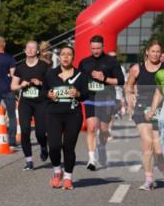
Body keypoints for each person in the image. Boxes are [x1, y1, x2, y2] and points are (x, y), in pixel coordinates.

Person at [43, 46, 89, 190]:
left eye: (69, 54)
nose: (65, 57)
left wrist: (78, 94)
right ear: (59, 57)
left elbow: (87, 94)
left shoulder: (80, 75)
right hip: (53, 114)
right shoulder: (50, 74)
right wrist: (48, 95)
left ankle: (68, 177)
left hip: (73, 115)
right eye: (63, 54)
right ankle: (58, 172)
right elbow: (42, 92)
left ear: (73, 57)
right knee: (54, 146)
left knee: (69, 147)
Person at [79, 35, 124, 170]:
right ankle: (92, 159)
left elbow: (120, 81)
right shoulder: (84, 62)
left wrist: (104, 78)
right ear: (90, 47)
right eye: (93, 48)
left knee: (104, 130)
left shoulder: (111, 62)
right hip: (91, 99)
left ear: (103, 47)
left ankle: (102, 147)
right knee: (91, 128)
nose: (96, 50)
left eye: (98, 48)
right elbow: (78, 80)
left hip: (106, 100)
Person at [125, 40, 163, 190]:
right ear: (147, 52)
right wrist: (130, 98)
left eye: (158, 51)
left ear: (161, 54)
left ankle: (161, 166)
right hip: (141, 108)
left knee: (159, 149)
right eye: (152, 51)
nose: (155, 54)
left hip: (160, 109)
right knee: (147, 145)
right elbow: (129, 85)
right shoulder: (137, 69)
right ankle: (149, 180)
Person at [11, 40, 49, 170]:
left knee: (40, 132)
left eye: (34, 48)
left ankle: (43, 146)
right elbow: (13, 86)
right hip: (26, 103)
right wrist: (21, 85)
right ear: (25, 50)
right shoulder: (20, 67)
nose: (31, 50)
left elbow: (52, 83)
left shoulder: (44, 66)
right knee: (25, 131)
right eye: (28, 48)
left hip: (41, 102)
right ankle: (29, 161)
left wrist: (40, 83)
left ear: (38, 51)